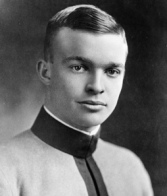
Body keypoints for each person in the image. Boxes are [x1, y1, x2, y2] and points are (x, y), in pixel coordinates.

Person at [0, 4, 153, 196]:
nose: (96, 86)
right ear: (46, 72)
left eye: (112, 71)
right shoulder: (6, 168)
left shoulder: (131, 170)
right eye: (79, 68)